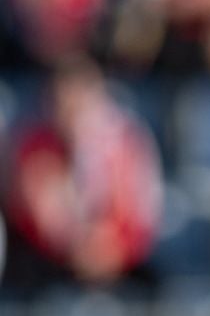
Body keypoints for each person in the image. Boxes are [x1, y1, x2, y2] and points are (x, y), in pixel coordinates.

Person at [1, 56, 161, 288]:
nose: (70, 104)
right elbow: (39, 219)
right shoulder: (36, 149)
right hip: (53, 268)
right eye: (62, 96)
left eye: (79, 94)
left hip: (121, 268)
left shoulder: (126, 141)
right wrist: (74, 241)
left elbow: (140, 213)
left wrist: (112, 248)